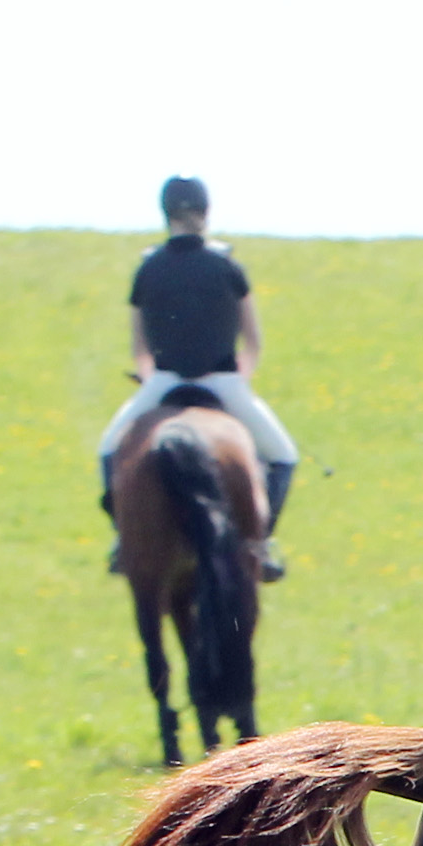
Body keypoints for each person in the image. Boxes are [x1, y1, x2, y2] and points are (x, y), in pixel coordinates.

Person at [96, 176, 298, 576]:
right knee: (283, 457)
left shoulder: (148, 269)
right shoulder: (228, 267)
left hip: (164, 382)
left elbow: (140, 350)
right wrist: (240, 378)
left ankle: (124, 539)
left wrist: (150, 377)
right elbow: (253, 343)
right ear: (205, 212)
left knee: (108, 450)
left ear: (165, 213)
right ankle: (260, 544)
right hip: (223, 382)